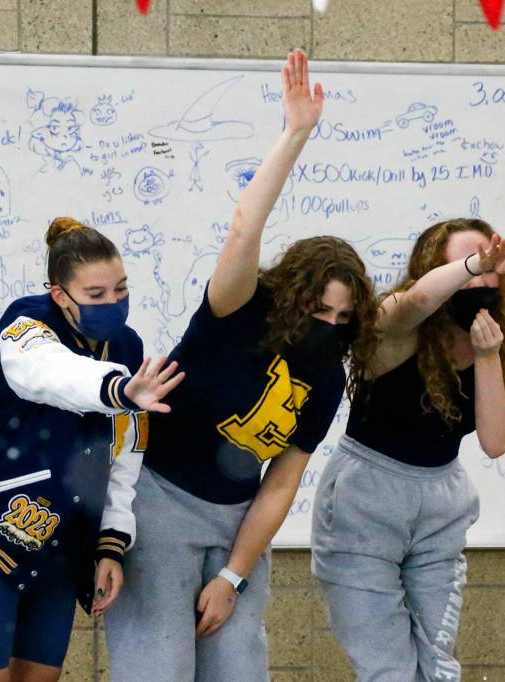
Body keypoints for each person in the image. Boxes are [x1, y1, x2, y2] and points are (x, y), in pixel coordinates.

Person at [105, 50, 379, 681]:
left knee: (239, 670)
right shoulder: (239, 311)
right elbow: (241, 230)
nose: (329, 326)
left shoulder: (327, 376)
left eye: (343, 318)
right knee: (157, 668)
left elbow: (282, 480)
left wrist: (233, 573)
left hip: (237, 523)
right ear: (290, 293)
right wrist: (295, 135)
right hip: (161, 504)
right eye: (319, 309)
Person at [0, 217, 184, 681]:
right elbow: (51, 373)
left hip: (62, 535)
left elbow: (125, 452)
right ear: (59, 294)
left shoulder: (127, 347)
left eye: (121, 288)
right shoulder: (25, 323)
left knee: (42, 675)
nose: (113, 302)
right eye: (96, 295)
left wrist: (111, 543)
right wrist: (120, 390)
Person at [311, 220, 505, 680]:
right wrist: (473, 265)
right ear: (436, 269)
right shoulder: (397, 328)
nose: (482, 277)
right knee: (386, 664)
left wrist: (488, 356)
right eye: (469, 265)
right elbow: (412, 304)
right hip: (366, 500)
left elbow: (495, 441)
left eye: (492, 266)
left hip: (439, 503)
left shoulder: (493, 338)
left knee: (437, 661)